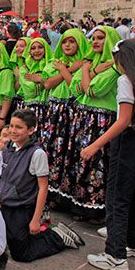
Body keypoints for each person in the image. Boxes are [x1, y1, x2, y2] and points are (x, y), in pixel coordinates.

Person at [81, 40, 135, 270]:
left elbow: (123, 120)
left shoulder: (126, 80)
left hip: (131, 139)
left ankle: (115, 255)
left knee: (118, 198)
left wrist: (95, 145)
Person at [0, 109, 84, 263]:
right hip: (7, 204)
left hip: (23, 207)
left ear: (31, 130)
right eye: (11, 126)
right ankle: (38, 233)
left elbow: (43, 188)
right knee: (6, 239)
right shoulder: (8, 149)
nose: (13, 130)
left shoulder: (37, 154)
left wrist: (36, 219)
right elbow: (4, 178)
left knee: (21, 254)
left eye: (19, 127)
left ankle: (57, 236)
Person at [65, 26, 122, 219]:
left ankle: (94, 207)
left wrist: (87, 72)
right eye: (94, 38)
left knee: (96, 165)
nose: (96, 42)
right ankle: (79, 203)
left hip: (101, 121)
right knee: (81, 160)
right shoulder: (92, 63)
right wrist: (92, 70)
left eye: (101, 38)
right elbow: (75, 87)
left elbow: (92, 90)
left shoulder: (114, 66)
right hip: (85, 119)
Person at [42, 29, 89, 195]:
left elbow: (76, 89)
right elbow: (48, 84)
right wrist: (67, 69)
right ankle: (51, 192)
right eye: (64, 42)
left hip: (73, 111)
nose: (67, 45)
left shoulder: (86, 64)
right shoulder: (56, 62)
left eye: (72, 42)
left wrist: (64, 71)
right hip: (56, 111)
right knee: (54, 150)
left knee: (71, 152)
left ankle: (68, 193)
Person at [16, 38, 53, 127]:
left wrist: (41, 79)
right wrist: (45, 82)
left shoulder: (52, 66)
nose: (36, 51)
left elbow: (54, 84)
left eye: (40, 47)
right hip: (29, 111)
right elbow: (30, 90)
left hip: (49, 110)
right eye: (33, 48)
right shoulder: (24, 69)